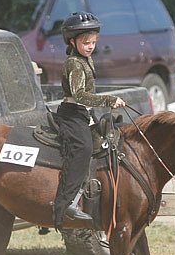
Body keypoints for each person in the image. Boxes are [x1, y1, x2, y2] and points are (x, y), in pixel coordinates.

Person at [53, 12, 125, 228]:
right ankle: (66, 203)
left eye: (93, 42)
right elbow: (79, 95)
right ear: (72, 41)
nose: (91, 46)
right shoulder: (74, 64)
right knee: (83, 148)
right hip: (72, 113)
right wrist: (109, 100)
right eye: (86, 42)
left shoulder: (86, 59)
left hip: (84, 113)